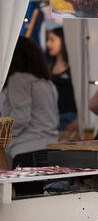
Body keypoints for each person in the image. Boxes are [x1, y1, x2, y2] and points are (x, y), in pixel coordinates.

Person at [3, 37, 59, 193]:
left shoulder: (18, 79)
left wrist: (3, 137)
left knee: (26, 205)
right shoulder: (47, 83)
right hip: (51, 150)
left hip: (28, 151)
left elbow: (20, 117)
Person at [46, 27, 78, 140]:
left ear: (63, 40)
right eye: (47, 39)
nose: (48, 43)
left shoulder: (75, 66)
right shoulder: (47, 65)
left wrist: (76, 122)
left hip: (70, 120)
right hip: (50, 121)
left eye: (52, 40)